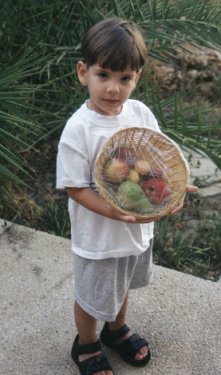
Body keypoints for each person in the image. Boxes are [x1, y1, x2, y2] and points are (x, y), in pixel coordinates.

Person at [56, 17, 198, 375]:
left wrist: (174, 187)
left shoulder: (139, 113)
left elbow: (154, 161)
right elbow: (74, 188)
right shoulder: (79, 129)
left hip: (135, 230)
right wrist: (112, 211)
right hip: (100, 236)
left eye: (125, 78)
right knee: (91, 295)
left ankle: (116, 329)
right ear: (82, 72)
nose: (113, 89)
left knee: (122, 285)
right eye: (103, 75)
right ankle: (86, 344)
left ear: (137, 77)